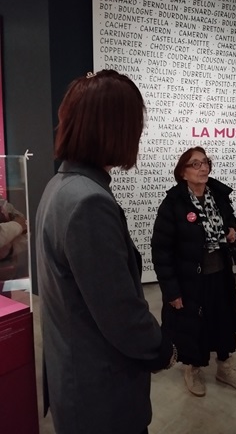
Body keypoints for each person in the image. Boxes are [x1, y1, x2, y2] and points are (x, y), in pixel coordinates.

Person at [35, 70, 176, 434]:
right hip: (100, 392)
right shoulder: (89, 201)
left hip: (77, 377)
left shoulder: (60, 186)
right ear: (116, 129)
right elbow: (119, 310)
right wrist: (160, 348)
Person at [151, 146, 236, 397]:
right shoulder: (173, 203)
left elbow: (229, 219)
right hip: (190, 279)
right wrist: (171, 291)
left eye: (205, 162)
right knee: (193, 324)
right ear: (183, 172)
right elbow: (161, 251)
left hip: (220, 273)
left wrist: (230, 230)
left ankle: (224, 365)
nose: (203, 167)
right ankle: (193, 368)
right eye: (195, 164)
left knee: (224, 317)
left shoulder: (217, 194)